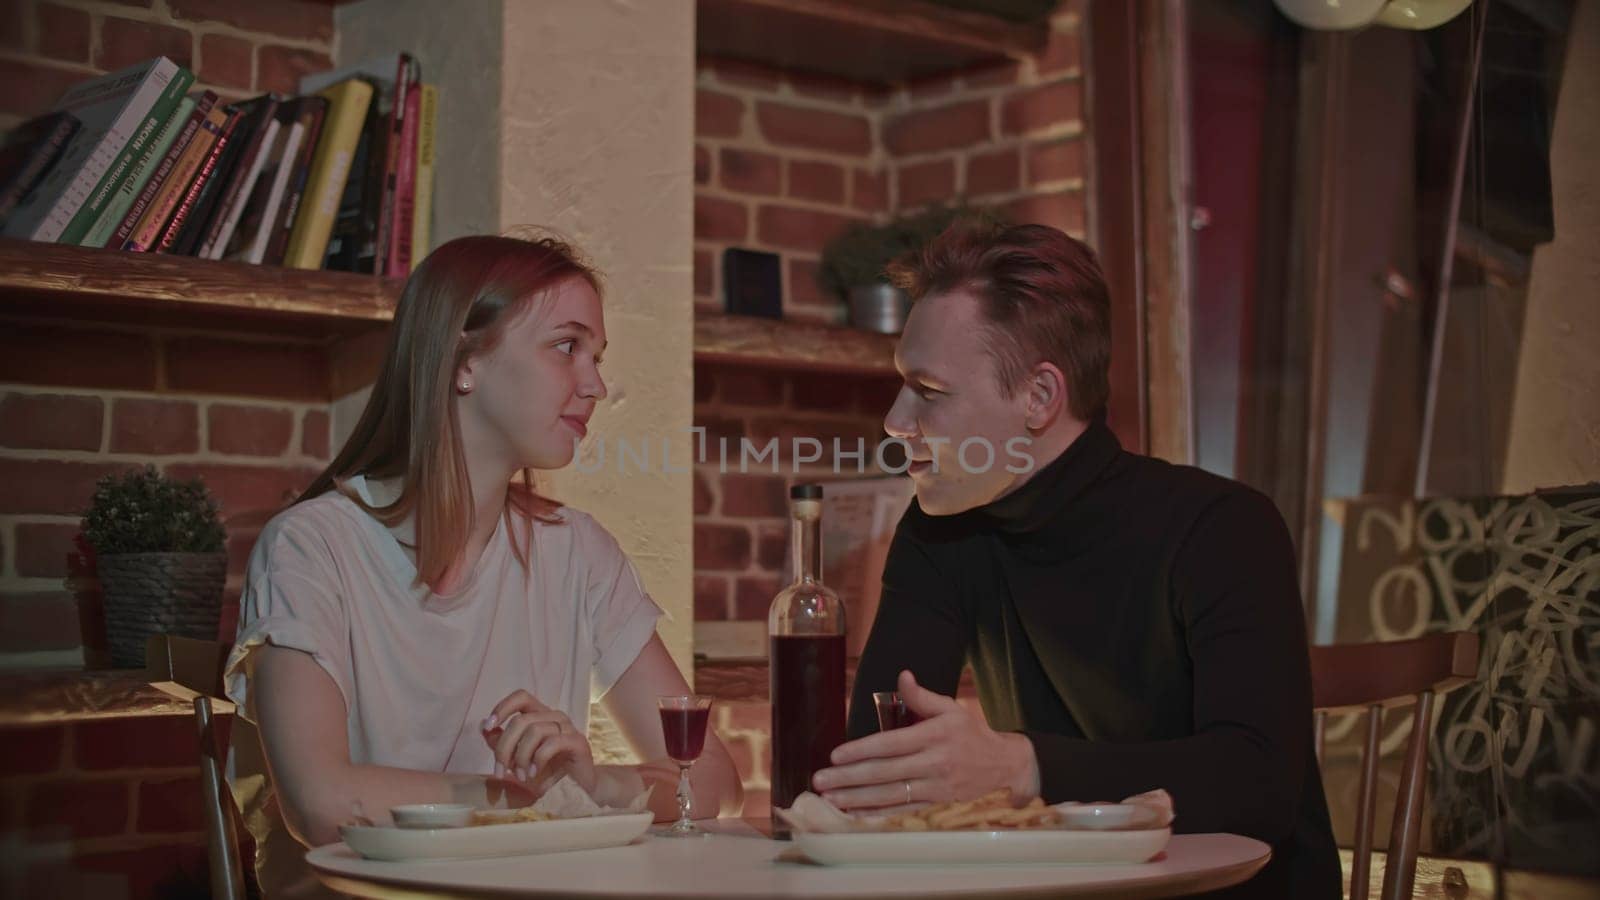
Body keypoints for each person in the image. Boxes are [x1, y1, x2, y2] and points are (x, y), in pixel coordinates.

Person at [812, 223, 1340, 897]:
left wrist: (1022, 768)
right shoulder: (940, 531)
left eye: (930, 391)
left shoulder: (1222, 527)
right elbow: (876, 770)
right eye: (900, 386)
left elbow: (1258, 784)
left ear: (1038, 398)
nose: (893, 419)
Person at [224, 234, 742, 899]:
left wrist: (589, 784)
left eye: (597, 356)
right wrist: (531, 799)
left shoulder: (578, 550)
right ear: (463, 362)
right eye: (567, 347)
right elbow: (324, 805)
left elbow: (714, 782)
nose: (596, 384)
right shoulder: (310, 546)